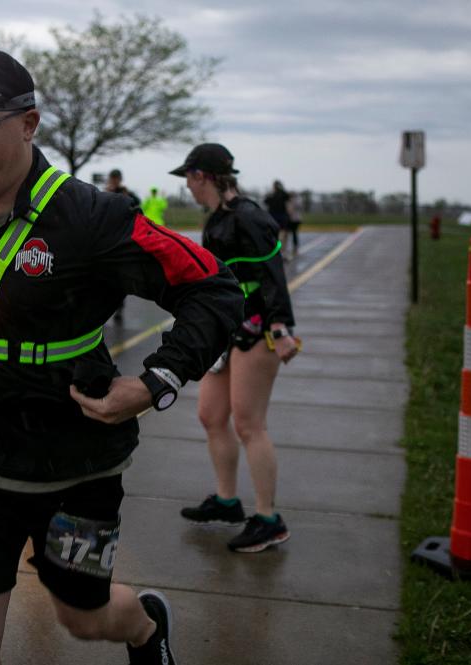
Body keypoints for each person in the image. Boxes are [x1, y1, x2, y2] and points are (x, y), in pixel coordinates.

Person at [0, 48, 243, 665]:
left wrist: (156, 381)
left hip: (76, 467)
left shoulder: (93, 218)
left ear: (28, 124)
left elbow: (213, 288)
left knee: (83, 616)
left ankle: (145, 628)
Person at [169, 143, 300, 553]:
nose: (187, 188)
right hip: (227, 334)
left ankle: (268, 519)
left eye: (188, 179)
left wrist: (280, 326)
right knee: (211, 415)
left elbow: (272, 273)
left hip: (258, 332)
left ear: (200, 176)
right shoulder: (218, 219)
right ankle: (227, 502)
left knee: (249, 425)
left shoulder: (250, 217)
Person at [264, 180, 293, 259]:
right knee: (283, 235)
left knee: (275, 235)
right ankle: (282, 252)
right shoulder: (284, 194)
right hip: (281, 217)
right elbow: (289, 206)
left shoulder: (271, 195)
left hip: (272, 217)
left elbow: (266, 203)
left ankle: (277, 252)